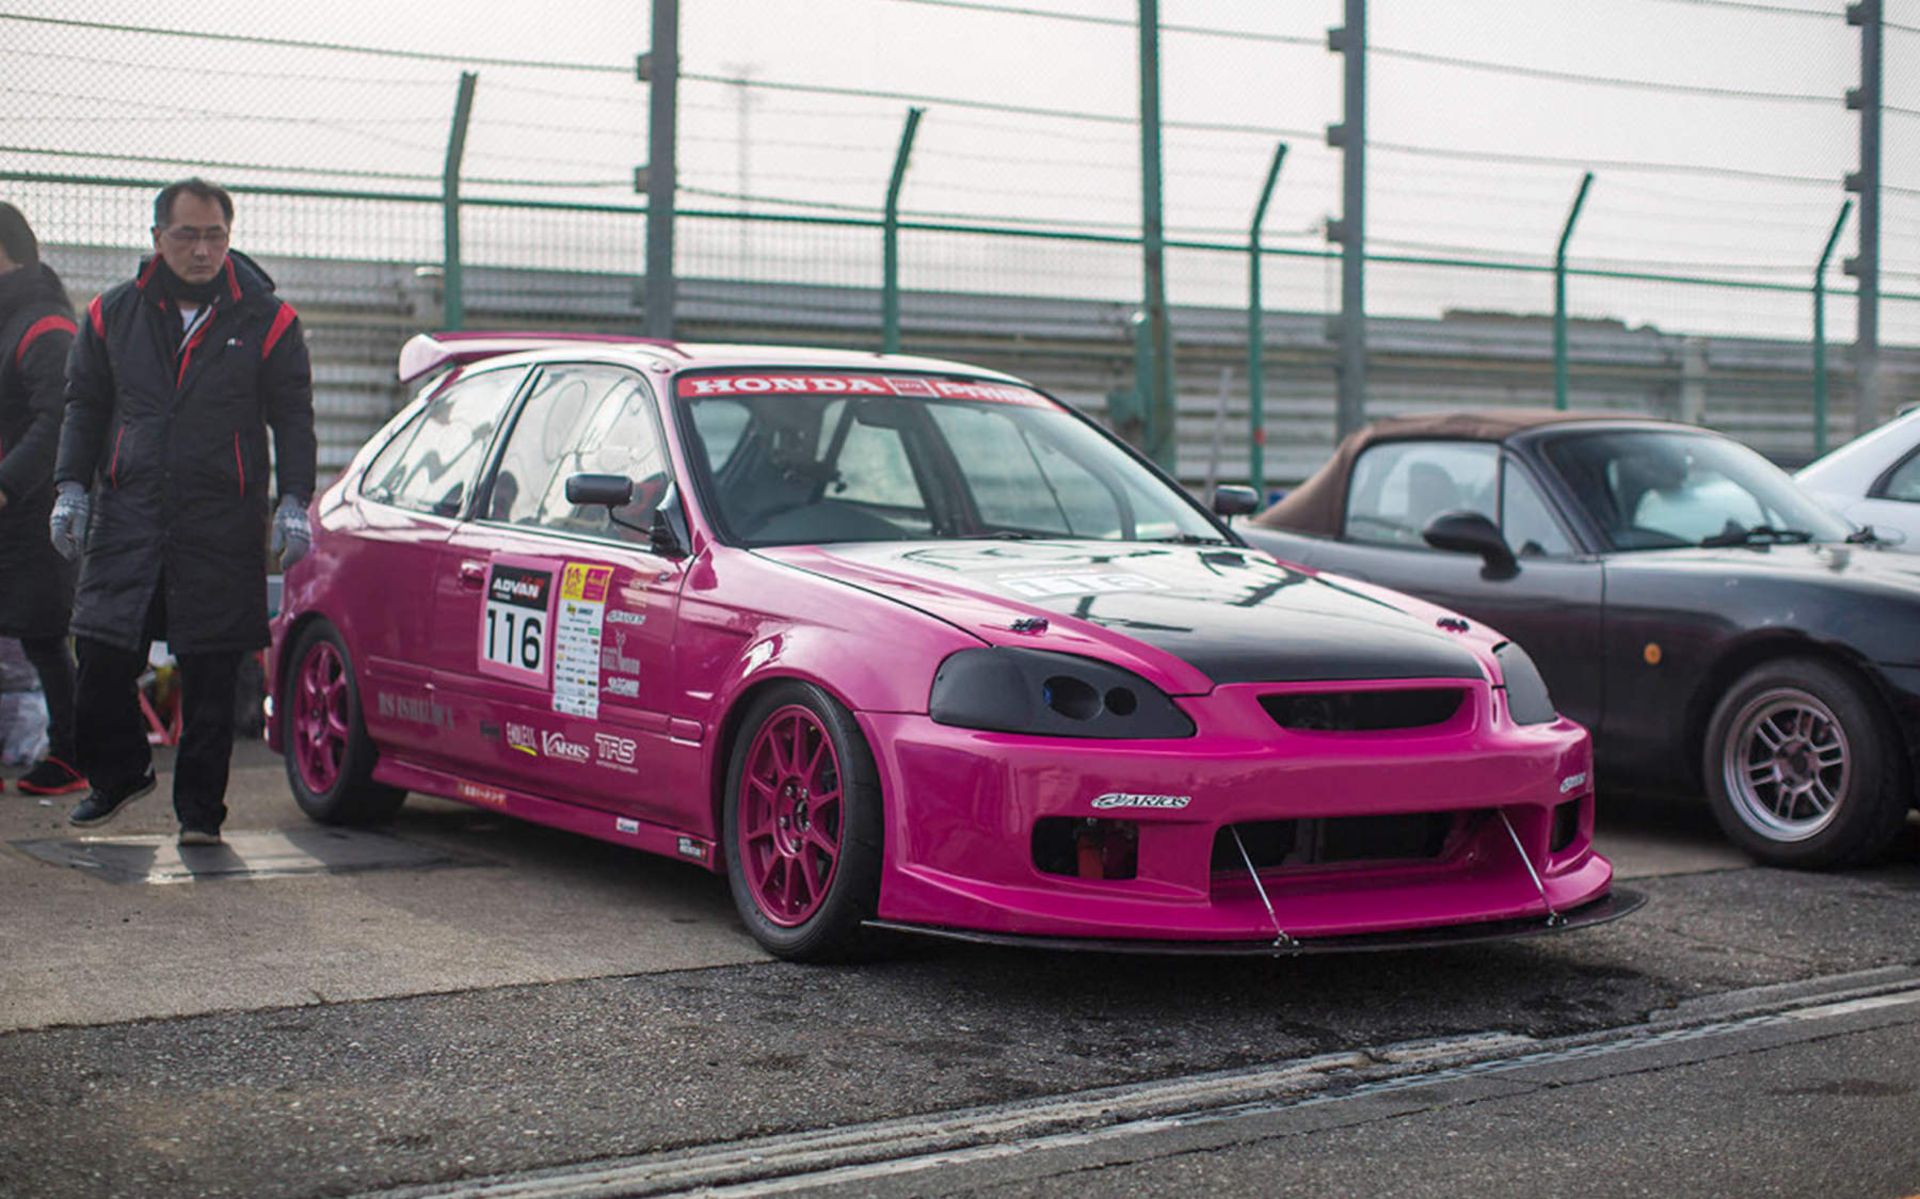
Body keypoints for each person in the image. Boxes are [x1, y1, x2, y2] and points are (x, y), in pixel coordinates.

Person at [49, 178, 316, 845]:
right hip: (129, 513)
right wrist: (71, 488)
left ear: (230, 236)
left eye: (215, 235)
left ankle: (200, 814)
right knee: (104, 654)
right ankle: (118, 774)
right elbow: (83, 406)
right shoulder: (112, 315)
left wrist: (294, 502)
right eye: (187, 234)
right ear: (157, 238)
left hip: (220, 521)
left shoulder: (269, 320)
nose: (202, 249)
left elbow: (293, 417)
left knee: (209, 672)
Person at [0, 202, 86, 795]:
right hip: (16, 504)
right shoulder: (12, 318)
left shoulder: (43, 323)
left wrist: (5, 483)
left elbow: (57, 417)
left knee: (43, 635)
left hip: (32, 511)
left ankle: (75, 756)